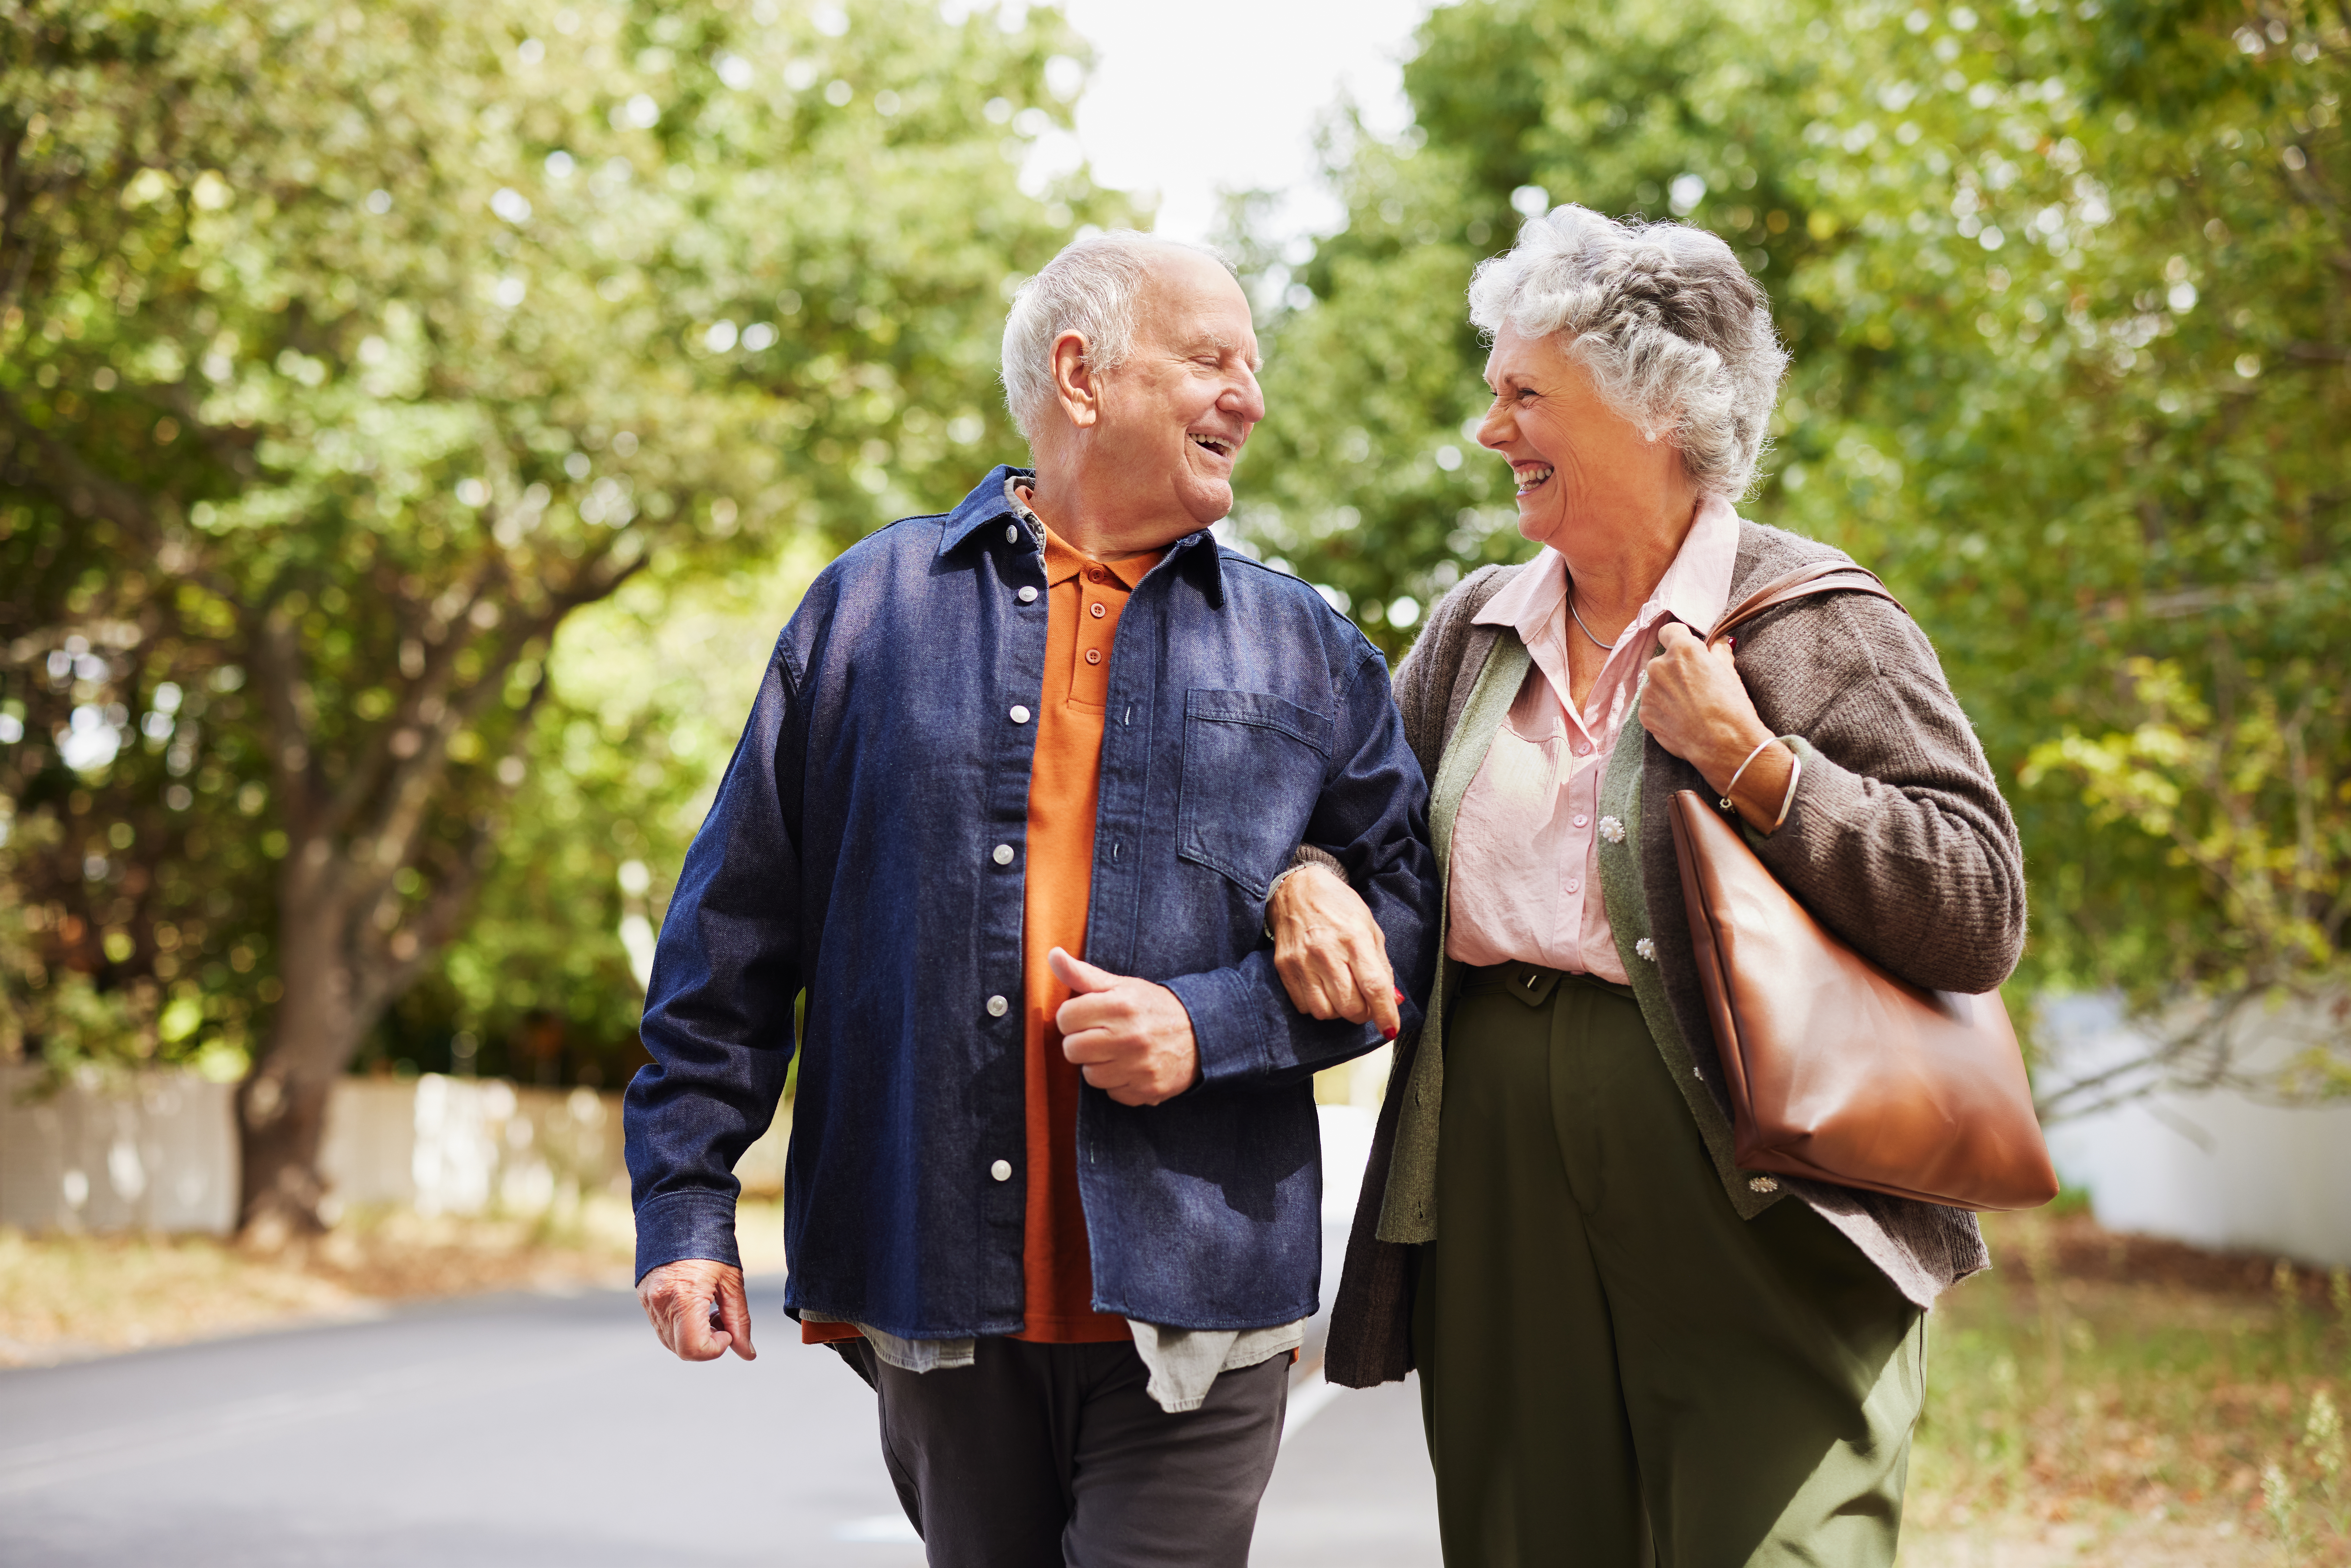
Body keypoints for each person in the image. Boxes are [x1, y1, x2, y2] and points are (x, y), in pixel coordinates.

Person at [623, 230, 1440, 1568]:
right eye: (1210, 359)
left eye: (1254, 365)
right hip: (932, 1284)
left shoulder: (1304, 644)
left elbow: (1410, 919)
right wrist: (686, 1207)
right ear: (1080, 374)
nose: (1249, 395)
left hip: (1202, 1290)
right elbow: (734, 931)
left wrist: (1213, 1024)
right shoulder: (867, 611)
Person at [1271, 206, 2028, 1566]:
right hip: (1497, 1164)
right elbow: (1351, 828)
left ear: (1653, 406)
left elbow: (1974, 904)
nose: (1489, 430)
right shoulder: (1476, 628)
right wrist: (1308, 882)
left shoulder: (1818, 623)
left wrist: (1751, 759)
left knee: (1782, 1545)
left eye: (1523, 394)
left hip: (1752, 1174)